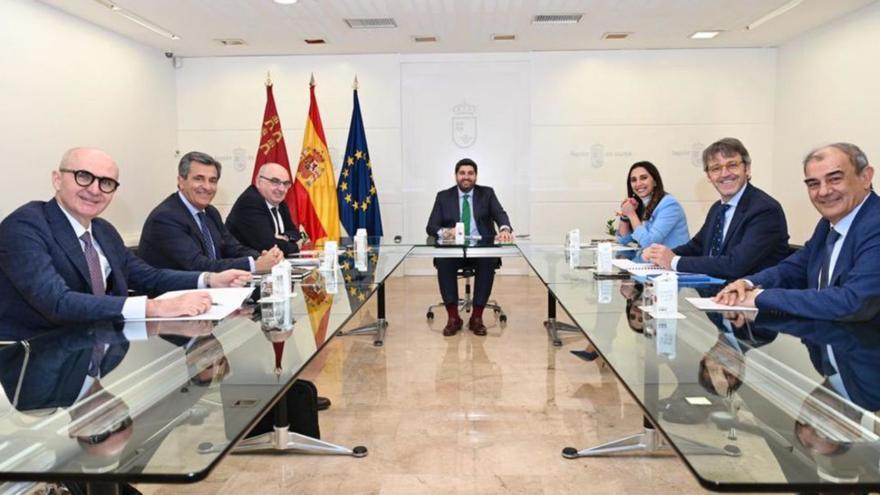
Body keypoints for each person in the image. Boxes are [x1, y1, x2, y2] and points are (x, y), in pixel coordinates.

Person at [0, 148, 251, 329]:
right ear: (57, 179)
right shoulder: (25, 226)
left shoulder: (103, 230)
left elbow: (148, 277)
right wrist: (153, 308)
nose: (95, 190)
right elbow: (57, 302)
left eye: (106, 182)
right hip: (37, 362)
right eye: (84, 177)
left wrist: (210, 279)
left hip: (101, 347)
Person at [714, 143, 880, 321]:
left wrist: (758, 297)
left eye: (835, 179)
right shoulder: (827, 225)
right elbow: (793, 269)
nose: (823, 191)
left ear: (865, 177)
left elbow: (853, 303)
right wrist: (747, 284)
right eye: (813, 184)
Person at [642, 138, 790, 280]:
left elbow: (736, 265)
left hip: (749, 299)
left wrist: (674, 261)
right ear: (708, 176)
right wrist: (660, 254)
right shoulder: (718, 208)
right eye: (716, 168)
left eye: (732, 165)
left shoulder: (765, 210)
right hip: (716, 292)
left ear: (747, 169)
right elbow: (696, 247)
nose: (724, 174)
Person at [139, 151, 284, 273]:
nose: (207, 187)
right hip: (173, 299)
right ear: (181, 181)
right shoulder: (165, 218)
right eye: (199, 179)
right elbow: (198, 265)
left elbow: (233, 248)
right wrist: (254, 265)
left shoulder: (210, 212)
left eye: (213, 181)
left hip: (210, 293)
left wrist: (262, 257)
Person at [425, 158, 513, 336]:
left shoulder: (487, 193)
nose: (466, 177)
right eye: (462, 173)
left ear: (476, 176)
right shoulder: (443, 196)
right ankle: (453, 318)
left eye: (470, 173)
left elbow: (500, 214)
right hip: (453, 250)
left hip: (481, 249)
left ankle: (477, 317)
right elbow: (431, 227)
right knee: (443, 261)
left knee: (487, 261)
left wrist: (504, 229)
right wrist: (444, 231)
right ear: (456, 176)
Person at [226, 162, 303, 256]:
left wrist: (285, 237)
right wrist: (295, 247)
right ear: (259, 182)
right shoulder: (250, 201)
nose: (282, 189)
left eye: (286, 183)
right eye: (275, 182)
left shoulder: (280, 202)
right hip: (243, 266)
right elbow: (268, 245)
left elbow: (295, 233)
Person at [616, 161, 689, 250]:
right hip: (651, 262)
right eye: (634, 180)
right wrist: (625, 216)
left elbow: (649, 243)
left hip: (670, 262)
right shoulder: (641, 204)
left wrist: (631, 214)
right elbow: (623, 240)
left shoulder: (669, 205)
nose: (638, 184)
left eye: (643, 178)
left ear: (655, 181)